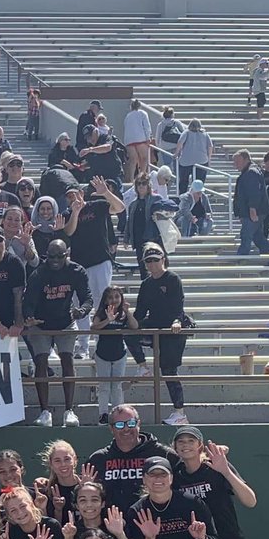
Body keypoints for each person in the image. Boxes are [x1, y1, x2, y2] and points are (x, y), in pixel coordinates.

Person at [22, 239, 91, 427]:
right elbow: (27, 301)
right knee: (41, 362)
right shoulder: (39, 274)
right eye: (50, 256)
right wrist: (28, 317)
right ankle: (45, 411)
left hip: (66, 322)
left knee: (67, 360)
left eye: (58, 257)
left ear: (66, 255)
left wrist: (81, 311)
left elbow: (87, 298)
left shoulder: (77, 271)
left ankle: (69, 410)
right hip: (41, 323)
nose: (53, 261)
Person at [130, 243, 189, 425]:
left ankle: (179, 412)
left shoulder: (173, 279)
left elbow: (178, 306)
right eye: (148, 261)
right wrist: (126, 315)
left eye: (155, 260)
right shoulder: (146, 284)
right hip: (155, 325)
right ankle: (142, 366)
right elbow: (139, 314)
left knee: (169, 370)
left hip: (173, 329)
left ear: (163, 260)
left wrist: (177, 321)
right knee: (127, 333)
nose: (152, 264)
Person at [65, 178, 125, 357]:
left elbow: (120, 208)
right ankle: (83, 345)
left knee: (102, 301)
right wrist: (75, 212)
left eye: (75, 194)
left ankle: (101, 343)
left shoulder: (98, 205)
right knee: (80, 304)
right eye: (69, 197)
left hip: (101, 261)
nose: (72, 198)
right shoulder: (68, 213)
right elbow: (69, 232)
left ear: (82, 193)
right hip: (79, 265)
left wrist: (106, 192)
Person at [90, 285, 138, 425]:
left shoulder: (123, 314)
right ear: (105, 300)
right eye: (110, 297)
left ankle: (119, 414)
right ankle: (103, 414)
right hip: (102, 354)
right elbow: (94, 327)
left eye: (117, 296)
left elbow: (135, 326)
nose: (114, 300)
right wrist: (108, 320)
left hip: (119, 354)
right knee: (104, 385)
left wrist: (127, 312)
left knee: (117, 386)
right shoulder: (101, 313)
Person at [231, 150, 269, 256]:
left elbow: (254, 193)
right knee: (258, 237)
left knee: (246, 235)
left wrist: (253, 209)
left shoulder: (251, 172)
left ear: (246, 159)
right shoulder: (250, 172)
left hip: (253, 212)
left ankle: (241, 259)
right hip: (251, 211)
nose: (235, 165)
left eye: (237, 162)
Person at [173, 119, 213, 195]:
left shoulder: (186, 132)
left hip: (186, 161)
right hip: (202, 161)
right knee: (199, 181)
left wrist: (176, 153)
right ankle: (198, 196)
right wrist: (209, 159)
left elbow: (180, 142)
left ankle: (182, 196)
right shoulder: (205, 134)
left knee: (183, 181)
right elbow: (210, 146)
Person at [122, 99, 153, 183]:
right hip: (140, 138)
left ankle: (131, 179)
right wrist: (148, 137)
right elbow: (147, 126)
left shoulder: (128, 116)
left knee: (133, 160)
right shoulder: (143, 113)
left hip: (129, 140)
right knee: (144, 158)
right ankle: (142, 177)